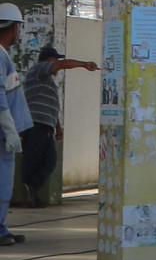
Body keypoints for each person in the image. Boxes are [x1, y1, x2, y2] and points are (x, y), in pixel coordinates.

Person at [20, 44, 98, 206]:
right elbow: (62, 65)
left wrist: (58, 127)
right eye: (54, 59)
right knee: (32, 160)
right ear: (45, 60)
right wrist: (84, 65)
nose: (57, 62)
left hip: (46, 126)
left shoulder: (47, 81)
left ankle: (31, 188)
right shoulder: (39, 70)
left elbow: (51, 104)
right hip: (35, 125)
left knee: (49, 160)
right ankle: (26, 193)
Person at [0, 3, 29, 246]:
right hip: (2, 135)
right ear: (14, 27)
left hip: (5, 132)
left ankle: (1, 227)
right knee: (2, 184)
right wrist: (9, 130)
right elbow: (0, 96)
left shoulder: (3, 54)